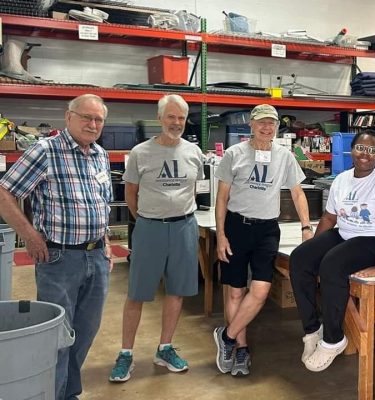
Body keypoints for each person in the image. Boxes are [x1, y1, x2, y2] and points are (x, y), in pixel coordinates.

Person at [0, 94, 113, 400]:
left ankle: (68, 392)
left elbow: (100, 203)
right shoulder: (45, 151)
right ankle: (54, 393)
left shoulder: (100, 154)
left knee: (85, 332)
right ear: (68, 117)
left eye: (98, 119)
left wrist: (105, 245)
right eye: (86, 117)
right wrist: (30, 235)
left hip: (96, 256)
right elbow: (4, 193)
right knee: (58, 336)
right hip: (60, 258)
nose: (92, 124)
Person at [289, 130, 375, 372]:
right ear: (351, 150)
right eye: (360, 148)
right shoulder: (342, 179)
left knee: (332, 265)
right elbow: (329, 217)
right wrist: (313, 248)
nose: (365, 154)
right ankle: (312, 329)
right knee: (300, 258)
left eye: (372, 150)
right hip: (347, 234)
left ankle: (333, 339)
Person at [109, 94, 204, 382]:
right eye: (171, 117)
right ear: (160, 118)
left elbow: (193, 188)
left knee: (176, 291)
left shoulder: (194, 152)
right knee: (137, 293)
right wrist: (149, 221)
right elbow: (130, 194)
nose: (176, 123)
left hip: (184, 227)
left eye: (181, 118)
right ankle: (126, 353)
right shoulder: (141, 152)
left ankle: (164, 348)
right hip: (149, 227)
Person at [213, 104, 313, 376]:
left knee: (260, 291)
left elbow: (298, 193)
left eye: (272, 123)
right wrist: (221, 235)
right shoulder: (234, 155)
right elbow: (221, 198)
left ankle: (227, 336)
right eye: (261, 123)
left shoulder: (284, 156)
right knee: (236, 291)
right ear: (251, 125)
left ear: (277, 127)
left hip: (267, 229)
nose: (267, 128)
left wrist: (306, 227)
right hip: (236, 227)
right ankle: (241, 350)